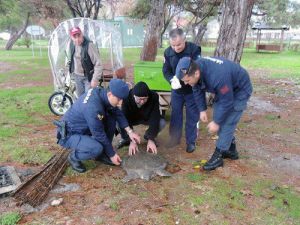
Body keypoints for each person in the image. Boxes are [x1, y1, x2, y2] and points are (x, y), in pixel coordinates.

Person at [175, 56, 253, 170]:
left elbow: (227, 101)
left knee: (228, 121)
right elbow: (197, 89)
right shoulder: (196, 68)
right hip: (226, 89)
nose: (186, 83)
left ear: (196, 74)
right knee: (219, 113)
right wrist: (202, 109)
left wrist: (216, 122)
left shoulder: (218, 76)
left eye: (187, 80)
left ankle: (218, 156)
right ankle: (231, 150)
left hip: (240, 89)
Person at [55, 79, 141, 173]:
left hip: (85, 127)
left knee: (111, 117)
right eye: (119, 100)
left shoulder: (101, 93)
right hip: (69, 134)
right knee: (96, 148)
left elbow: (117, 112)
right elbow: (99, 134)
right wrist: (112, 154)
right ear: (110, 94)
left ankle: (102, 154)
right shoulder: (93, 108)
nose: (120, 103)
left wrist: (130, 132)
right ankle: (74, 157)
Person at [162, 28, 201, 153]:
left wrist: (186, 78)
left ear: (185, 40)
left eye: (178, 44)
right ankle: (174, 138)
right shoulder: (167, 53)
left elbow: (198, 68)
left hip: (191, 89)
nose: (176, 48)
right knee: (175, 115)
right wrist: (171, 80)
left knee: (192, 115)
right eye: (173, 45)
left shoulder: (194, 49)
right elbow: (166, 70)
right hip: (177, 90)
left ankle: (191, 141)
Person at [116, 82, 166, 155]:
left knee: (161, 122)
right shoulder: (126, 97)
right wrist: (131, 140)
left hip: (146, 117)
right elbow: (124, 118)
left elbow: (155, 117)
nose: (142, 101)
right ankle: (126, 139)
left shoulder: (154, 96)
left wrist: (151, 138)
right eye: (139, 99)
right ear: (134, 96)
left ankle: (147, 136)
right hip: (132, 118)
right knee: (119, 121)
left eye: (145, 99)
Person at [68, 26, 103, 97]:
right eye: (75, 37)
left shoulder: (89, 45)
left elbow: (98, 64)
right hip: (77, 77)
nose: (77, 39)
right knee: (80, 99)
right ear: (71, 37)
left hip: (88, 78)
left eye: (79, 36)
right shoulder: (72, 44)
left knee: (88, 99)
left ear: (82, 34)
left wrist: (95, 80)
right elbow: (72, 59)